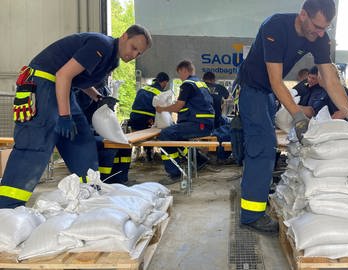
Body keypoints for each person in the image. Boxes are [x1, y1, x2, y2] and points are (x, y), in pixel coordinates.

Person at [234, 0, 348, 234]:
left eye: (326, 28)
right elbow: (275, 80)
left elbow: (330, 80)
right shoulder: (276, 27)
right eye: (317, 26)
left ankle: (257, 194)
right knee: (262, 146)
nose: (321, 33)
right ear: (303, 15)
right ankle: (251, 215)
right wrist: (299, 117)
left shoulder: (320, 37)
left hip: (268, 93)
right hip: (252, 89)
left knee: (265, 147)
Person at [0, 25, 152, 208]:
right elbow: (64, 74)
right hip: (44, 84)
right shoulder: (101, 45)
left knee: (80, 138)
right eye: (134, 48)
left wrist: (99, 98)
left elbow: (80, 80)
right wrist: (64, 116)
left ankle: (89, 193)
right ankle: (7, 206)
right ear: (124, 36)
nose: (134, 55)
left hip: (63, 88)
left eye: (139, 54)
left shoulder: (112, 60)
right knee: (35, 146)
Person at [155, 60, 215, 184]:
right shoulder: (201, 84)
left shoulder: (188, 84)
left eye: (179, 74)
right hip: (205, 124)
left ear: (184, 70)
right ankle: (199, 160)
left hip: (197, 124)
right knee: (175, 135)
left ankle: (174, 173)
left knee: (165, 135)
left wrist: (162, 109)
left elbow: (178, 106)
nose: (180, 77)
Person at [130, 72, 170, 161]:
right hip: (146, 119)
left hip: (133, 118)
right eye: (166, 83)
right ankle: (149, 154)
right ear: (164, 82)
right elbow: (161, 112)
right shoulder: (160, 93)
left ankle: (138, 151)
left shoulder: (142, 89)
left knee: (139, 133)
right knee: (154, 132)